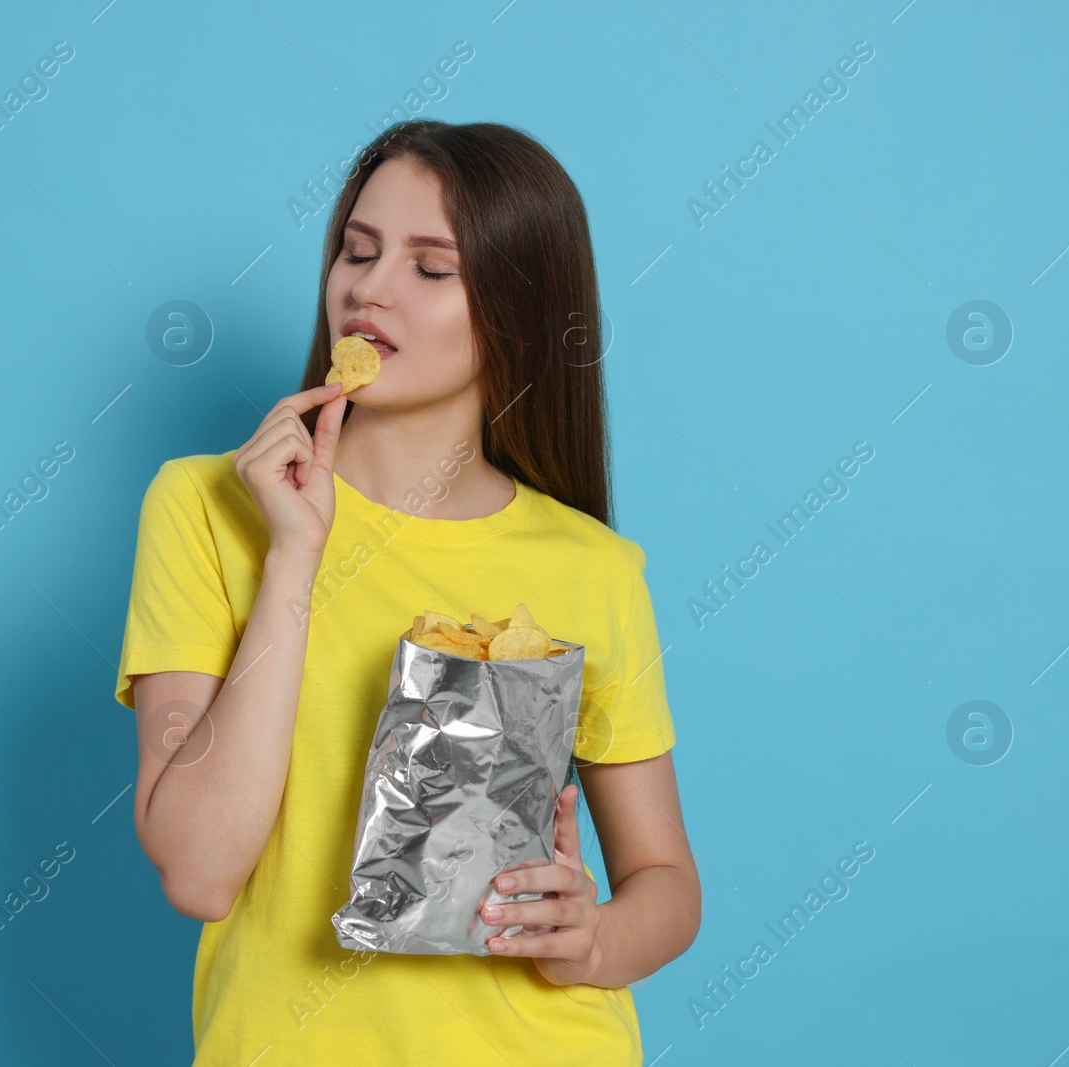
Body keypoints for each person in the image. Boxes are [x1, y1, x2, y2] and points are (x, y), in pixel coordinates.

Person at [115, 119, 701, 1066]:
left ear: (515, 311)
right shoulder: (206, 506)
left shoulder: (593, 565)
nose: (368, 289)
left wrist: (590, 938)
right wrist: (295, 558)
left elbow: (668, 885)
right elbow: (199, 869)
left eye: (433, 269)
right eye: (357, 250)